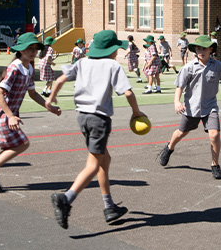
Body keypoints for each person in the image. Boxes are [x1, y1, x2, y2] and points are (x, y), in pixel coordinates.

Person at [45, 30, 146, 229]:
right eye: (116, 49)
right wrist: (136, 112)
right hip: (99, 119)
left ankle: (109, 207)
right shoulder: (112, 65)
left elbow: (59, 80)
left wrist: (50, 99)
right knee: (93, 164)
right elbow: (127, 92)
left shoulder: (82, 62)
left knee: (104, 160)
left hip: (82, 117)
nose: (117, 52)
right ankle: (66, 198)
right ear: (111, 50)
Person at [0, 33, 61, 192]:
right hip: (2, 112)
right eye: (29, 48)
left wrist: (48, 106)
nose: (33, 52)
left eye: (35, 49)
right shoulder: (15, 68)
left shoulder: (29, 68)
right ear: (20, 50)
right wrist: (11, 115)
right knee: (22, 143)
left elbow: (32, 93)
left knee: (14, 145)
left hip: (8, 113)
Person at [158, 35, 221, 179]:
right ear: (195, 50)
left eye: (205, 49)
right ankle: (169, 148)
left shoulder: (217, 65)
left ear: (211, 50)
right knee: (181, 132)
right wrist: (177, 102)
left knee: (214, 134)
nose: (201, 51)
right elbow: (179, 86)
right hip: (191, 108)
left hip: (210, 107)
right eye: (199, 48)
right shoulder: (189, 67)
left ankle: (215, 165)